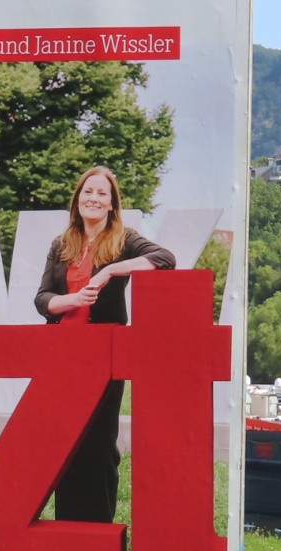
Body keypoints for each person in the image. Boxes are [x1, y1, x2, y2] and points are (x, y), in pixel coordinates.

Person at [33, 166, 176, 524]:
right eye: (88, 192)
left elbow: (165, 259)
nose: (93, 199)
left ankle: (97, 528)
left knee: (98, 444)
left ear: (112, 204)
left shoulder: (124, 239)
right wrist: (72, 300)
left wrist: (111, 270)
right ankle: (68, 525)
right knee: (66, 441)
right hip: (63, 355)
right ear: (77, 199)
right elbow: (42, 298)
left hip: (104, 357)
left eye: (101, 193)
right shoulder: (61, 244)